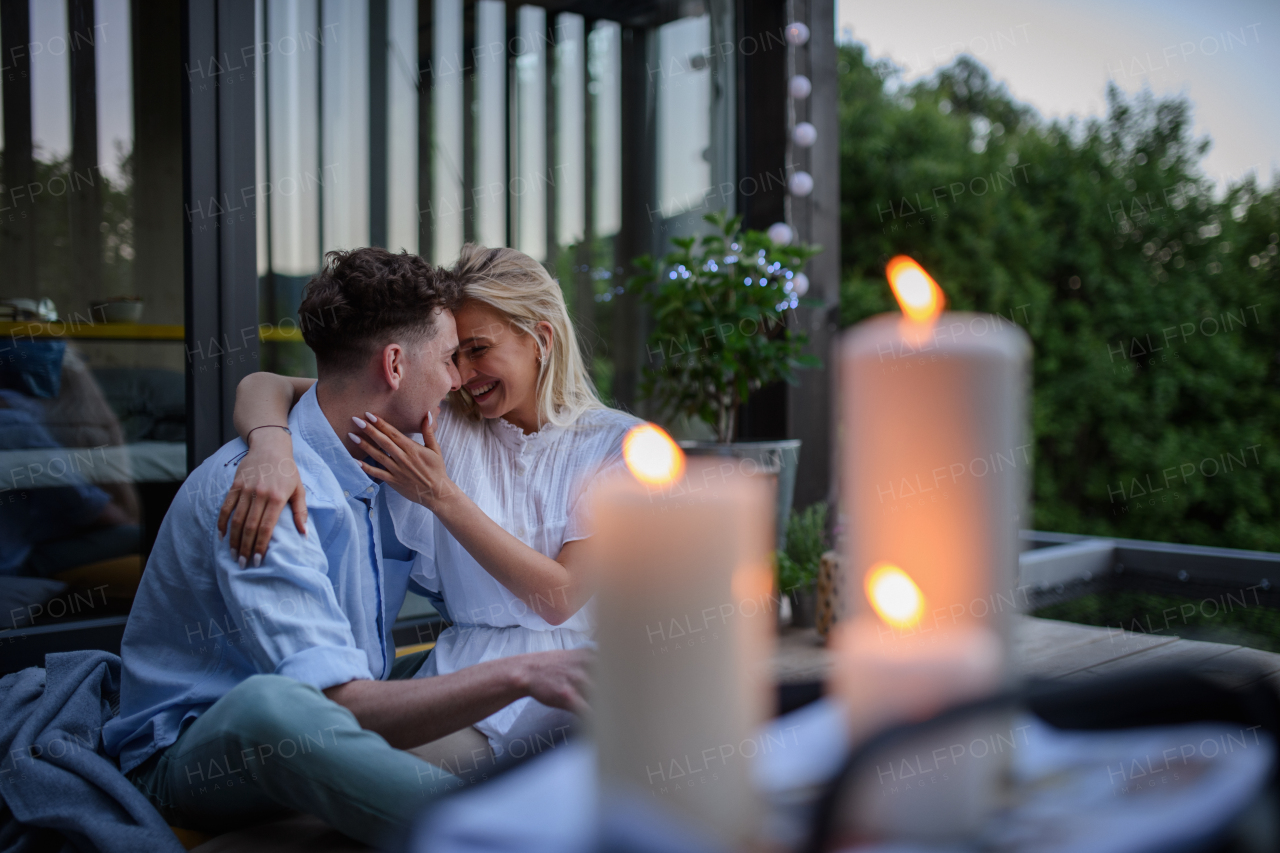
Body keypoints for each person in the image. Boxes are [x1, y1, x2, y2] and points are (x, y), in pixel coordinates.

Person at [101, 248, 591, 847]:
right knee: (273, 711)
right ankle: (516, 836)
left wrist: (269, 438)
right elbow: (335, 706)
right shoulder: (268, 496)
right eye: (447, 358)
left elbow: (274, 385)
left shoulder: (381, 461)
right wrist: (519, 673)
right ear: (393, 364)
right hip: (195, 753)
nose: (458, 379)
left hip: (337, 714)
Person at [220, 244, 640, 759]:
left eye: (479, 349)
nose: (462, 375)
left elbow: (560, 599)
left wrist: (441, 496)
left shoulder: (618, 448)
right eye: (454, 353)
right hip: (464, 670)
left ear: (541, 339)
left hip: (576, 681)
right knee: (340, 772)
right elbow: (268, 385)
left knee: (365, 783)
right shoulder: (441, 423)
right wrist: (269, 446)